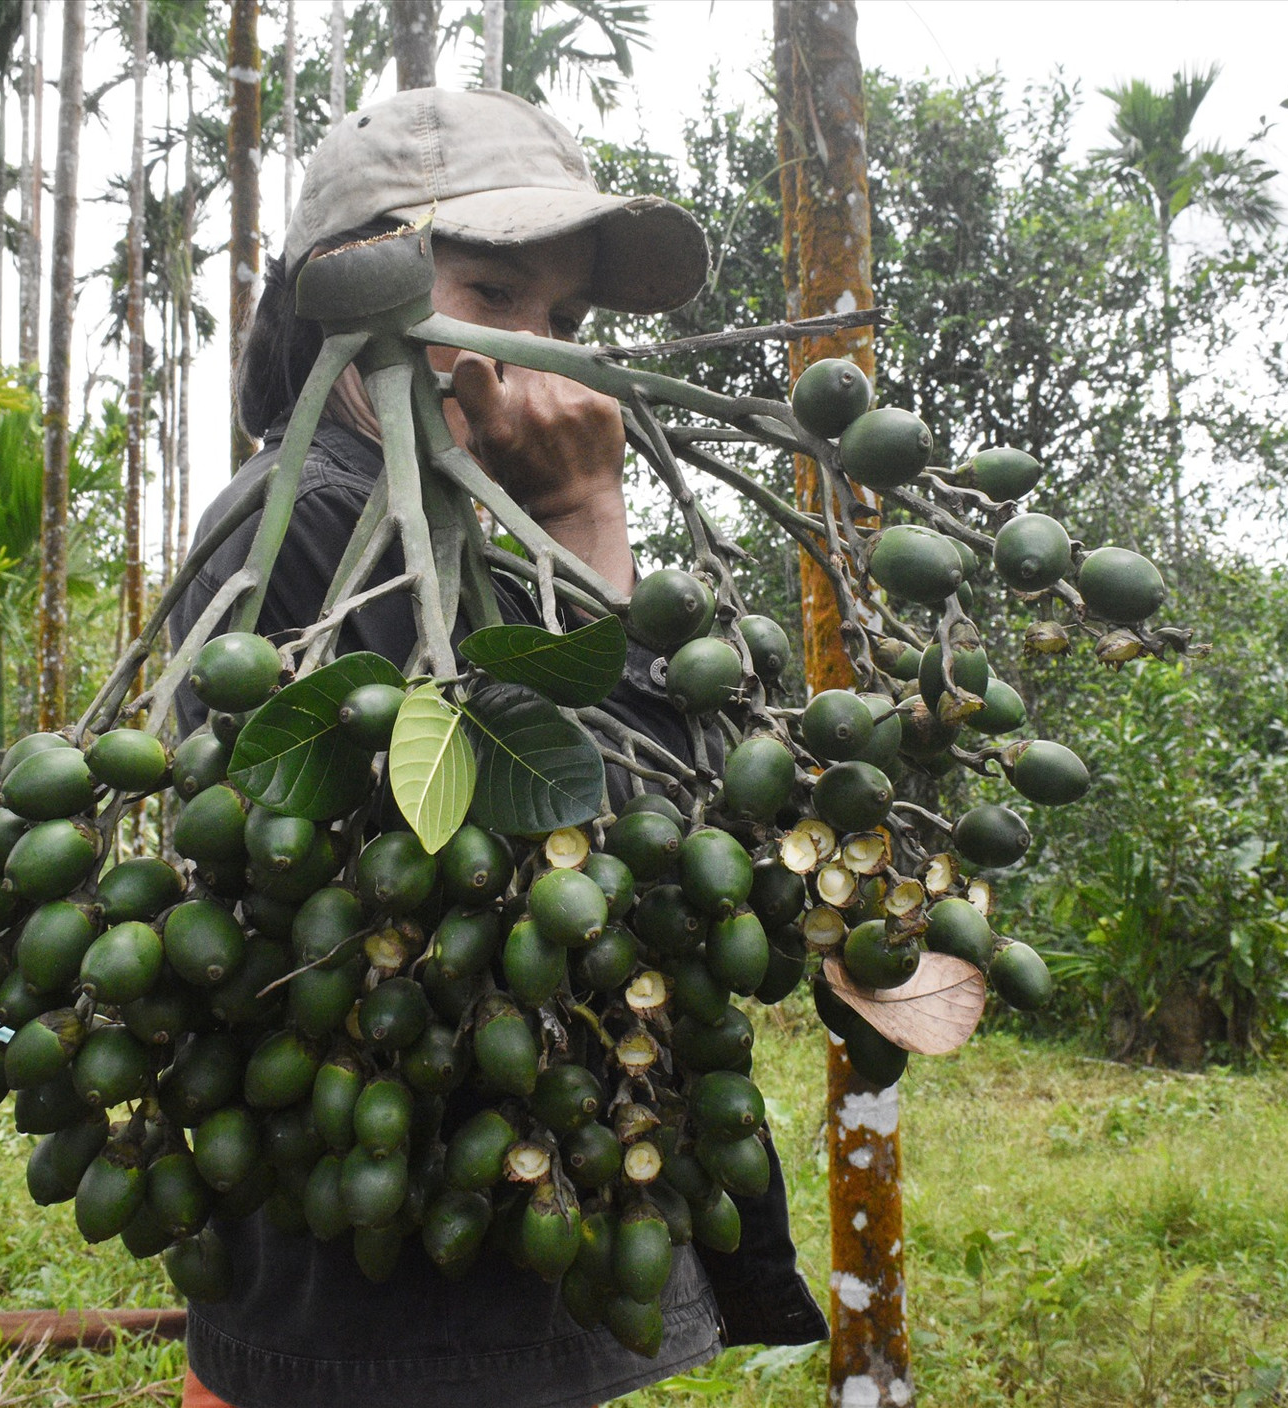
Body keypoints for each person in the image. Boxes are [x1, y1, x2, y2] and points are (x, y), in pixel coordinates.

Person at [172, 87, 827, 1408]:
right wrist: (592, 511)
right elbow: (626, 875)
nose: (546, 354)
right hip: (378, 1322)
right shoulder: (298, 526)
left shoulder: (492, 526)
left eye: (568, 321)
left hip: (505, 1260)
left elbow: (694, 834)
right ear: (355, 305)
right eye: (493, 292)